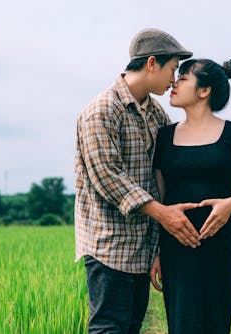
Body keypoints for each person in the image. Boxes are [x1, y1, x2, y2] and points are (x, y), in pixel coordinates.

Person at [74, 28, 202, 334]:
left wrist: (227, 194)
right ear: (152, 63)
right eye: (173, 70)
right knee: (108, 328)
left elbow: (173, 168)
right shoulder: (101, 110)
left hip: (143, 249)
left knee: (131, 328)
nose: (174, 80)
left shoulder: (156, 115)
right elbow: (108, 176)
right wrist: (163, 213)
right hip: (110, 247)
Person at [150, 57, 231, 333]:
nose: (174, 83)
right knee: (182, 321)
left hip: (220, 240)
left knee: (216, 318)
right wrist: (156, 251)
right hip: (176, 242)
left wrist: (230, 205)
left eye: (183, 78)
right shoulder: (164, 138)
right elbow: (161, 197)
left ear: (204, 91)